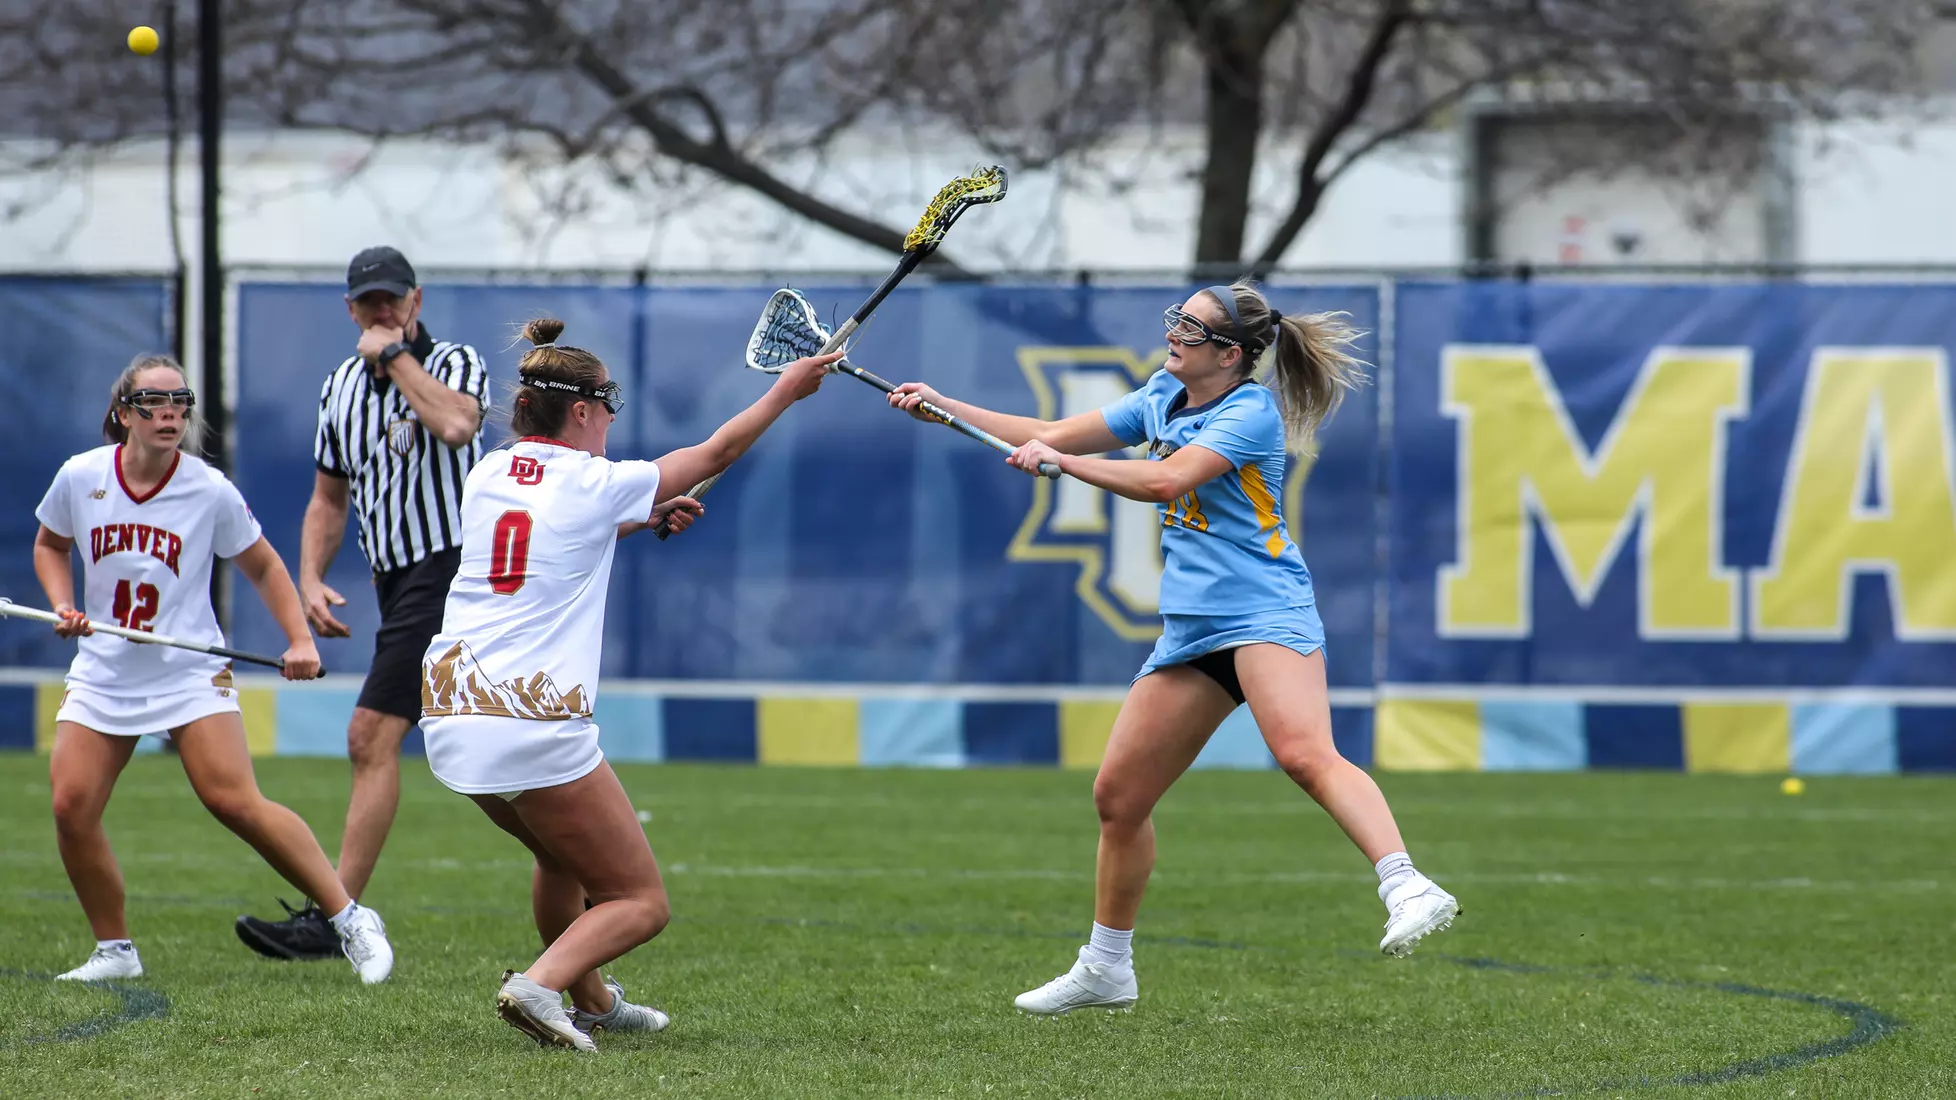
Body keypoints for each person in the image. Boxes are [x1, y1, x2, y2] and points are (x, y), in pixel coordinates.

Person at [889, 282, 1459, 1015]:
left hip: (1261, 613)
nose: (1174, 333)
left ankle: (1407, 882)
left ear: (1229, 354)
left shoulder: (1249, 412)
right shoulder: (1162, 393)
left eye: (1190, 327)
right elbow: (1054, 430)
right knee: (1119, 798)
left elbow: (1163, 480)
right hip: (1192, 628)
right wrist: (945, 407)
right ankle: (1106, 969)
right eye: (1178, 320)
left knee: (1303, 754)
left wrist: (1062, 467)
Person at [419, 318, 838, 1050]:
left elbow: (549, 539)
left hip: (450, 715)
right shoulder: (595, 479)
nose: (613, 418)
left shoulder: (491, 472)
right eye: (607, 403)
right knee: (640, 901)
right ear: (581, 409)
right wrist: (786, 392)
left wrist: (633, 521)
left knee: (559, 859)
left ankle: (595, 1002)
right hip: (531, 720)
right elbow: (718, 451)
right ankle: (539, 985)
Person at [34, 355, 393, 985]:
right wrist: (63, 604)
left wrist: (298, 639)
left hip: (186, 670)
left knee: (233, 801)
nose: (169, 413)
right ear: (124, 415)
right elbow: (50, 544)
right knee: (70, 805)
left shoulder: (207, 488)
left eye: (180, 401)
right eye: (153, 403)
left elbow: (262, 565)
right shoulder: (80, 477)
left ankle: (350, 918)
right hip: (105, 672)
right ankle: (114, 951)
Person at [237, 246, 490, 962]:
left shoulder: (454, 363)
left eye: (393, 299)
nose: (382, 311)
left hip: (452, 569)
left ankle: (334, 918)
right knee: (494, 743)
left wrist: (398, 359)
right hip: (394, 580)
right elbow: (328, 497)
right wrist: (311, 577)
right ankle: (592, 866)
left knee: (370, 736)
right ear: (349, 310)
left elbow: (457, 427)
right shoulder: (339, 387)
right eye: (369, 303)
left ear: (416, 302)